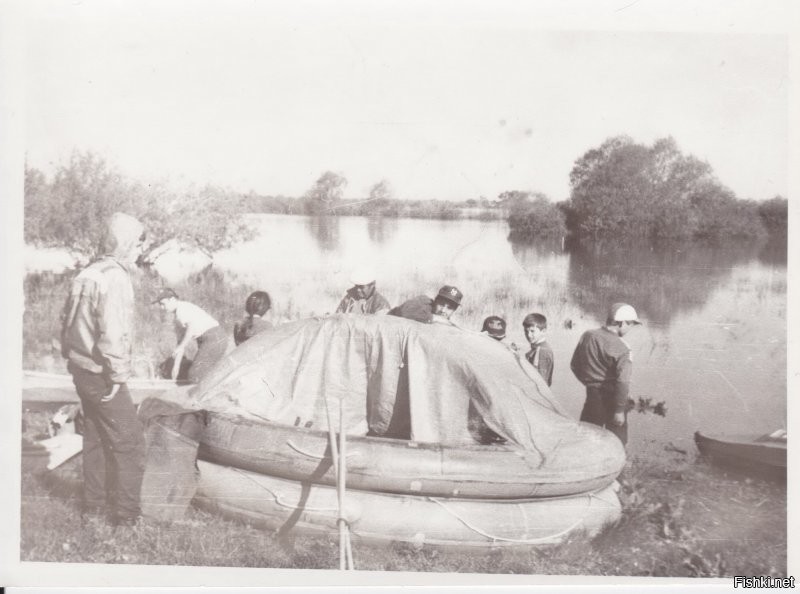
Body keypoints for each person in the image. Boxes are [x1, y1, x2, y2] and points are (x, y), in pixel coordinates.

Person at [60, 212, 147, 526]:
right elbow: (112, 331)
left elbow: (65, 322)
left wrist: (70, 356)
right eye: (137, 242)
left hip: (80, 367)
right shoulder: (115, 276)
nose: (139, 249)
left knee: (95, 436)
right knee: (132, 442)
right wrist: (118, 375)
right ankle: (126, 517)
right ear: (123, 242)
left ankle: (93, 508)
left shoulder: (87, 272)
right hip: (101, 372)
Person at [570, 302, 642, 445]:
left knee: (586, 440)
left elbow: (574, 366)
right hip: (613, 400)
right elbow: (623, 382)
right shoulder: (623, 349)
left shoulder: (588, 336)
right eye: (631, 324)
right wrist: (620, 410)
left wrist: (590, 383)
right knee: (617, 443)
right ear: (622, 323)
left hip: (592, 396)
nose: (631, 328)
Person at [154, 288, 228, 383]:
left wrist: (181, 347)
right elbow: (180, 343)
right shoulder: (177, 317)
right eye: (160, 305)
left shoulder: (182, 309)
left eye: (163, 304)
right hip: (209, 340)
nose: (162, 308)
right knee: (205, 374)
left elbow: (191, 329)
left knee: (195, 375)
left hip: (214, 338)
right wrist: (176, 366)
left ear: (172, 299)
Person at [388, 285, 463, 325]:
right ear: (435, 300)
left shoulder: (445, 322)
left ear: (454, 310)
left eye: (449, 308)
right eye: (441, 304)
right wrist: (433, 318)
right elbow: (404, 312)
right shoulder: (423, 301)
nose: (443, 310)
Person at [523, 313, 554, 386]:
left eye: (532, 331)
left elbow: (541, 382)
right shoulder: (540, 347)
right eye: (526, 331)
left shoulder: (541, 351)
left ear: (543, 331)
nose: (529, 335)